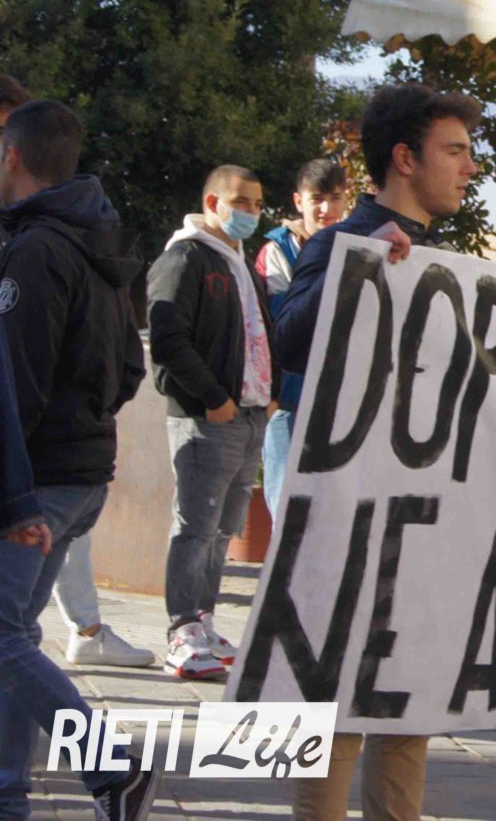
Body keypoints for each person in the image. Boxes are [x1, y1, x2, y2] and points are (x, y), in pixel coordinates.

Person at [273, 82, 496, 821]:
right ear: (404, 158)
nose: (469, 167)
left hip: (425, 519)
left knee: (406, 704)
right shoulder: (345, 241)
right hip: (351, 520)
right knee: (337, 708)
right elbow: (289, 339)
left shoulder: (446, 261)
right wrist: (360, 268)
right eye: (454, 151)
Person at [0, 102, 160, 820]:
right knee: (16, 635)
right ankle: (9, 792)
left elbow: (15, 384)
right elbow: (129, 369)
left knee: (3, 637)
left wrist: (14, 495)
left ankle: (111, 769)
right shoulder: (99, 244)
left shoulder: (35, 251)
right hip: (82, 474)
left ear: (12, 157)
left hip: (36, 482)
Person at [148, 165, 274, 680]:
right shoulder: (186, 257)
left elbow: (261, 331)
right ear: (212, 202)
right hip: (209, 419)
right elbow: (169, 339)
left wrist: (269, 396)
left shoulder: (240, 262)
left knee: (223, 531)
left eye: (257, 204)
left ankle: (203, 620)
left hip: (250, 417)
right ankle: (181, 631)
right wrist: (214, 398)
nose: (250, 213)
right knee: (195, 528)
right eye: (240, 202)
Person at [253, 158, 348, 516]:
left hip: (344, 404)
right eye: (317, 199)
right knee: (287, 512)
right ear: (299, 201)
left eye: (335, 198)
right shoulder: (277, 251)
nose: (326, 209)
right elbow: (285, 327)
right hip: (289, 402)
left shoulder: (367, 245)